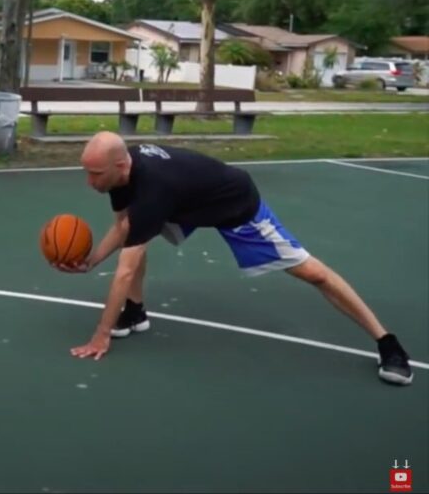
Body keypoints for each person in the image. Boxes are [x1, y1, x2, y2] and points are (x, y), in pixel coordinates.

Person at [54, 131, 413, 386]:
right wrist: (90, 261)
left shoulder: (151, 189)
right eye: (87, 171)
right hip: (186, 202)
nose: (89, 182)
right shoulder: (121, 175)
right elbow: (124, 227)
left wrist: (101, 335)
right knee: (136, 232)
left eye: (95, 174)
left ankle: (387, 342)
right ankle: (135, 313)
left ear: (120, 164)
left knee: (312, 272)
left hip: (235, 204)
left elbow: (126, 268)